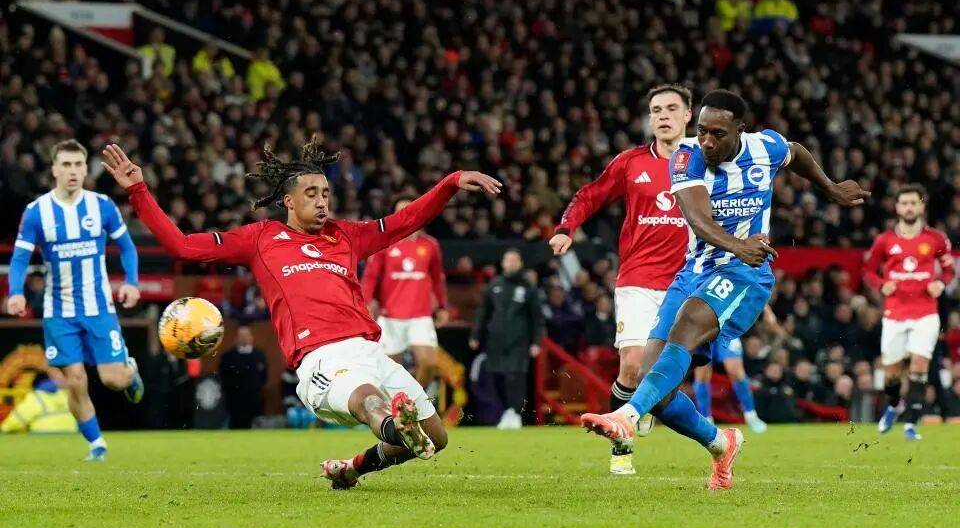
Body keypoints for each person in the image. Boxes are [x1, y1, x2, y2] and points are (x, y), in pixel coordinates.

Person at [100, 137, 500, 489]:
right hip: (322, 360)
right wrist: (138, 190)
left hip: (371, 352)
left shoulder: (347, 236)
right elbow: (184, 245)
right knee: (369, 400)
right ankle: (395, 426)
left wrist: (451, 183)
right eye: (311, 193)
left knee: (436, 438)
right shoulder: (261, 239)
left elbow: (406, 220)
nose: (322, 201)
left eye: (325, 193)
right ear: (288, 201)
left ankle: (354, 467)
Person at [581, 89, 868, 490]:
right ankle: (721, 443)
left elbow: (796, 152)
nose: (707, 141)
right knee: (654, 386)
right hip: (695, 271)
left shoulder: (765, 147)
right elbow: (698, 220)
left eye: (717, 133)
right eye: (702, 131)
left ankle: (625, 418)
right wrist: (738, 244)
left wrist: (830, 187)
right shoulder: (687, 157)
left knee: (684, 329)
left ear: (740, 130)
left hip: (745, 273)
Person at [549, 83, 692, 474]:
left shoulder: (704, 162)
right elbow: (590, 195)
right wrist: (566, 227)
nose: (663, 116)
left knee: (665, 371)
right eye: (656, 110)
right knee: (631, 365)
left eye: (671, 109)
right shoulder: (631, 163)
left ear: (687, 116)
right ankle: (621, 448)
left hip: (687, 281)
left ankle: (647, 404)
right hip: (638, 279)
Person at [6, 139, 143, 461]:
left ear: (85, 170)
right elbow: (19, 258)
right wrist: (16, 292)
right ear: (54, 169)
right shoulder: (37, 212)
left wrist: (132, 283)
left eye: (78, 165)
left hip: (99, 308)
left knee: (113, 380)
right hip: (59, 312)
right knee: (75, 380)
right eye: (66, 165)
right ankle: (96, 444)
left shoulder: (102, 206)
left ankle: (130, 371)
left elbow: (127, 247)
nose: (72, 171)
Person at [863, 185, 954, 440]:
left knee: (919, 365)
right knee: (892, 372)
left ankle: (911, 424)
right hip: (895, 313)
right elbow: (868, 270)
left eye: (913, 203)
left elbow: (949, 270)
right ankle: (894, 406)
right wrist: (881, 285)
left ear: (922, 206)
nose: (909, 208)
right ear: (897, 207)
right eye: (904, 203)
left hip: (926, 313)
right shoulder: (884, 240)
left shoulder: (936, 239)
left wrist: (941, 283)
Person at [361, 198, 449, 390]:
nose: (405, 215)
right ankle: (398, 403)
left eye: (409, 210)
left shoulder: (430, 244)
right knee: (390, 370)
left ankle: (413, 400)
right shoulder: (384, 243)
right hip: (390, 316)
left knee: (428, 363)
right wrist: (366, 303)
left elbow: (437, 278)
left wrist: (442, 306)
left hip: (421, 315)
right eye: (400, 211)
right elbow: (371, 276)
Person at [469, 250, 545, 430]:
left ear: (520, 263)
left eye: (514, 260)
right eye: (508, 260)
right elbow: (483, 313)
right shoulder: (494, 285)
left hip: (519, 342)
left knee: (515, 377)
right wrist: (475, 335)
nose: (511, 263)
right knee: (496, 377)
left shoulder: (528, 287)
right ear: (503, 263)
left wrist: (536, 342)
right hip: (496, 341)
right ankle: (506, 411)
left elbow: (537, 318)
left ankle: (516, 412)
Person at [692, 308, 774, 433]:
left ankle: (751, 415)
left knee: (735, 371)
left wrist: (767, 310)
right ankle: (706, 420)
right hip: (703, 326)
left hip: (727, 326)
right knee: (702, 375)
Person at [219, 326, 268, 429]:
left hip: (255, 402)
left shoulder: (259, 355)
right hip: (235, 403)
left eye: (246, 335)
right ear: (236, 338)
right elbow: (224, 378)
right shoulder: (228, 357)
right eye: (241, 335)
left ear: (251, 337)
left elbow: (264, 377)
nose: (244, 338)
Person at [0, 376, 78, 433]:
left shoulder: (36, 397)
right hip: (72, 435)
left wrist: (4, 428)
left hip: (43, 437)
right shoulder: (64, 395)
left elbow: (16, 420)